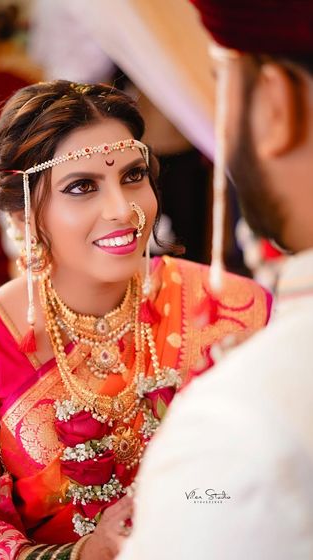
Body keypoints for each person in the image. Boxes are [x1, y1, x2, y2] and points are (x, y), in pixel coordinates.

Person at [0, 80, 269, 560]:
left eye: (133, 176)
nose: (123, 210)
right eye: (82, 187)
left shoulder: (232, 308)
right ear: (23, 216)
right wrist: (85, 553)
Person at [117, 2, 313, 559]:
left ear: (274, 104)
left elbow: (214, 498)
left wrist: (181, 493)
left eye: (218, 89)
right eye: (81, 186)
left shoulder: (242, 428)